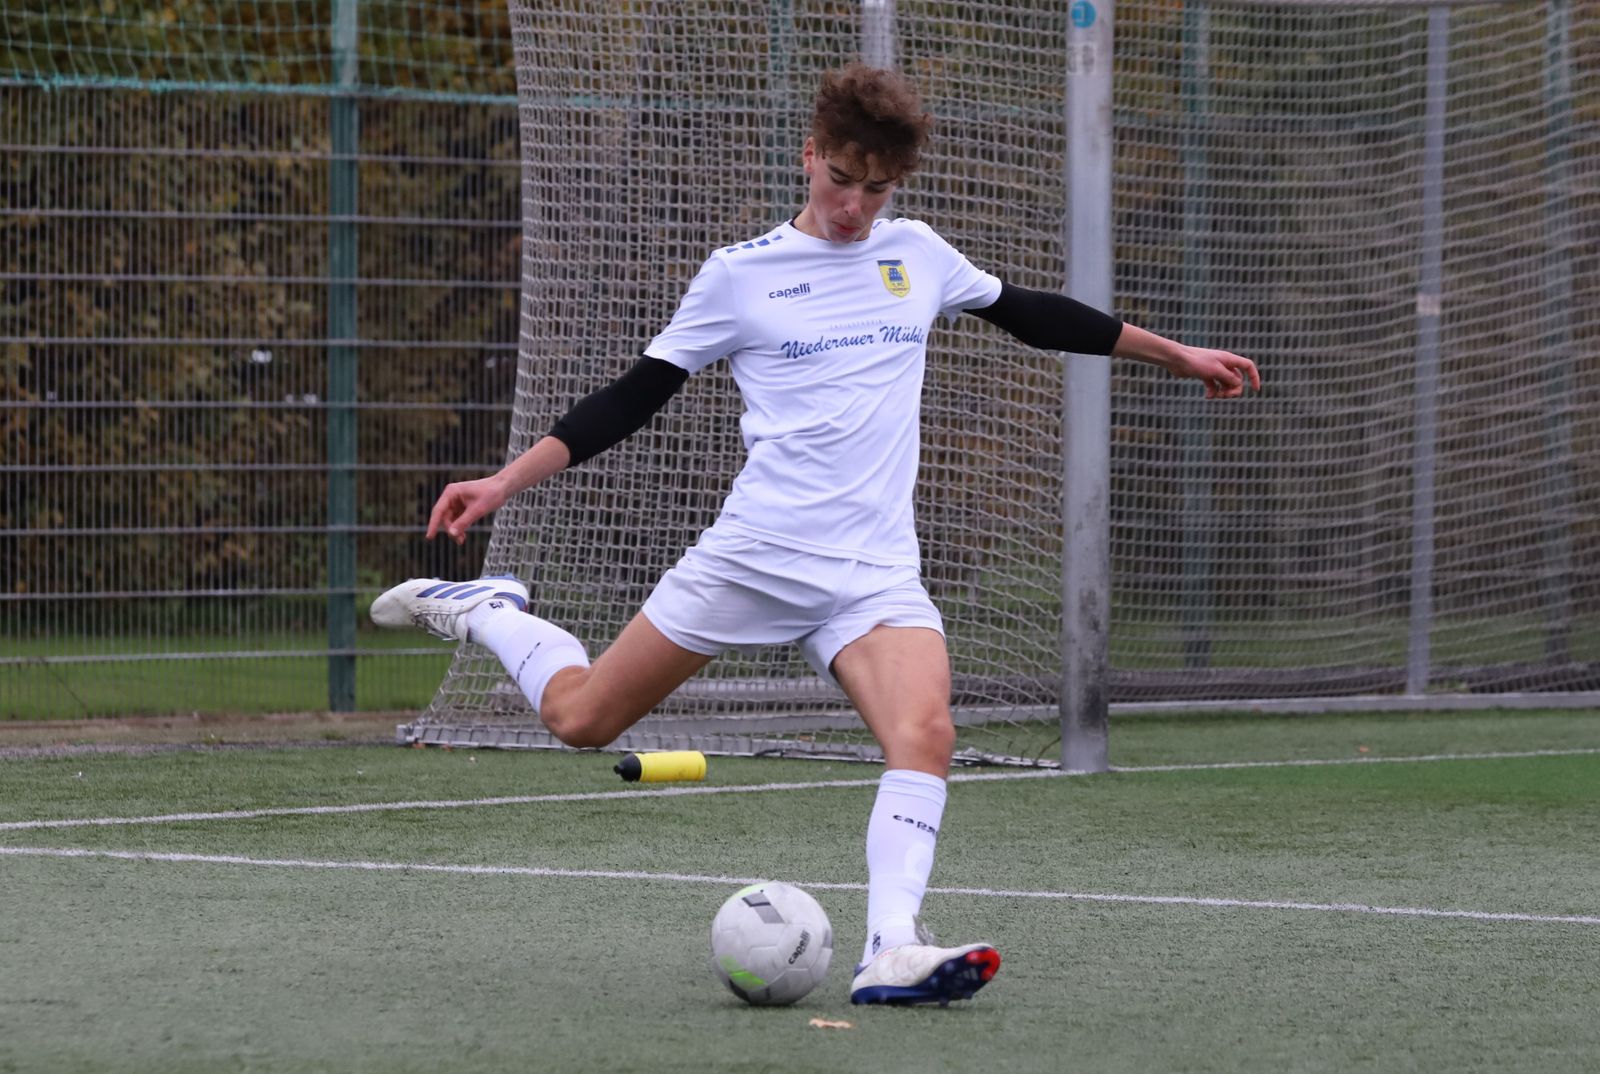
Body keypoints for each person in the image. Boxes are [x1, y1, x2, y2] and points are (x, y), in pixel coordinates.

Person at [372, 64, 1260, 1006]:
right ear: (810, 156)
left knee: (925, 733)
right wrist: (505, 481)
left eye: (877, 190)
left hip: (874, 573)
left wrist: (1173, 353)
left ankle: (892, 948)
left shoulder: (916, 253)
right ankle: (490, 612)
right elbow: (631, 399)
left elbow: (1032, 314)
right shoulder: (740, 275)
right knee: (581, 721)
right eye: (841, 180)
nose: (854, 207)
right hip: (756, 557)